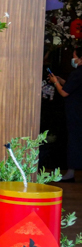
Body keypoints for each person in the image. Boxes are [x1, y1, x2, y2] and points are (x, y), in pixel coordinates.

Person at [49, 45, 82, 182]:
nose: (73, 59)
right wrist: (61, 80)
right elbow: (71, 86)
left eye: (74, 57)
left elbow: (64, 92)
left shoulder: (78, 73)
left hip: (76, 114)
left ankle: (70, 172)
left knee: (74, 141)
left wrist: (55, 82)